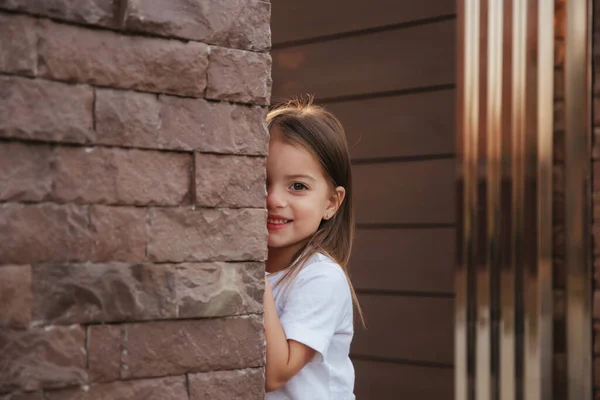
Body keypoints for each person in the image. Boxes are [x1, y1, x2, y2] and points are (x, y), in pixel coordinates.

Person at [264, 99, 364, 400]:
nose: (273, 200)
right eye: (261, 181)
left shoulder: (321, 277)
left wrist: (250, 266)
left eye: (297, 187)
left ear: (331, 203)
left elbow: (276, 373)